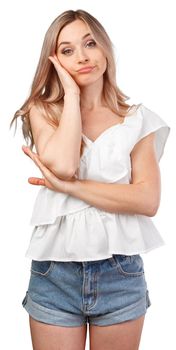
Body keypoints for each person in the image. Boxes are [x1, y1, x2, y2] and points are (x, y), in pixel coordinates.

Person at [10, 9, 170, 350]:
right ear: (53, 61)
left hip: (120, 274)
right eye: (66, 50)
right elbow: (65, 164)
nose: (81, 56)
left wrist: (71, 189)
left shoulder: (139, 120)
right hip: (55, 275)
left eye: (90, 43)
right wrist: (70, 94)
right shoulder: (44, 111)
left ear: (106, 50)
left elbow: (146, 200)